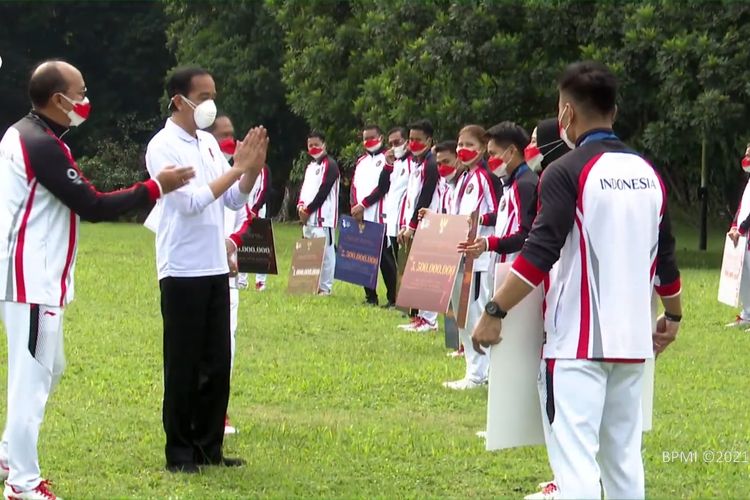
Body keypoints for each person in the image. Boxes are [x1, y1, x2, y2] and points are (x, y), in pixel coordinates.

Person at [471, 61, 682, 499]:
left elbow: (539, 252)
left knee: (576, 463)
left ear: (565, 113)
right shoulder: (650, 174)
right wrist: (674, 317)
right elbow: (665, 258)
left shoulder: (564, 172)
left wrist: (495, 311)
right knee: (623, 460)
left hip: (575, 348)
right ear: (615, 112)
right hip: (633, 345)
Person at [0, 60, 193, 500]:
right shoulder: (41, 144)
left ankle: (9, 455)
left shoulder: (22, 134)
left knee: (50, 368)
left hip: (31, 277)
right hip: (32, 281)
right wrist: (155, 187)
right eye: (80, 92)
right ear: (57, 100)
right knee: (31, 382)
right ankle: (22, 484)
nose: (86, 100)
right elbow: (92, 204)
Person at [145, 66, 268, 474]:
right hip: (182, 268)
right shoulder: (163, 146)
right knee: (184, 363)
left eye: (213, 94)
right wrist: (238, 166)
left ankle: (208, 446)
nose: (210, 104)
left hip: (216, 266)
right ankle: (179, 451)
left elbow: (232, 199)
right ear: (179, 100)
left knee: (217, 362)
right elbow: (190, 202)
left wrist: (249, 170)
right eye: (203, 96)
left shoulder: (210, 145)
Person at [442, 125, 498, 390]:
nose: (462, 150)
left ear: (483, 147)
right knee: (462, 314)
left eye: (469, 145)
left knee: (474, 313)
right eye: (460, 145)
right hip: (459, 254)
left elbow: (500, 212)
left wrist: (478, 220)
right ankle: (474, 370)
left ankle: (479, 372)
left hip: (478, 257)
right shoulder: (464, 178)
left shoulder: (486, 177)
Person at [459, 122, 538, 265]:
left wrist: (490, 243)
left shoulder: (524, 184)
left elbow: (526, 235)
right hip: (503, 266)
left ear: (512, 151)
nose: (490, 160)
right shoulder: (510, 183)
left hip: (515, 266)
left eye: (493, 154)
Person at [215, 115, 272, 292]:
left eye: (230, 135)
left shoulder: (235, 168)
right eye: (223, 135)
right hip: (195, 266)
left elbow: (238, 201)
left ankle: (259, 281)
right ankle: (243, 280)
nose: (229, 140)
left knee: (259, 247)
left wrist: (231, 242)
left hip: (255, 210)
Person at [397, 119, 441, 332]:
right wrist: (406, 223)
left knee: (429, 272)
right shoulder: (417, 163)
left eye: (418, 140)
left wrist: (413, 224)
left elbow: (426, 195)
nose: (413, 143)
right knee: (420, 271)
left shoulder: (432, 164)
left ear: (429, 140)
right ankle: (421, 316)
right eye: (411, 139)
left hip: (430, 223)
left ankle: (430, 319)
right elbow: (411, 197)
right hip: (416, 222)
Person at [351, 125, 398, 307]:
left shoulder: (388, 158)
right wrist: (355, 206)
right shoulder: (361, 161)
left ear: (380, 137)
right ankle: (370, 297)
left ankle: (393, 298)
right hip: (361, 215)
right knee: (364, 258)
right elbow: (354, 186)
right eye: (365, 138)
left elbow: (382, 187)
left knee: (385, 259)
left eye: (372, 137)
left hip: (380, 214)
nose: (368, 141)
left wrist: (364, 204)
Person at [298, 131, 340, 295]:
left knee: (327, 254)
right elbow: (305, 190)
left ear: (324, 145)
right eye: (310, 145)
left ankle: (325, 287)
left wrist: (309, 210)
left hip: (324, 218)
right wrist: (301, 207)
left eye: (316, 144)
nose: (313, 148)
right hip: (308, 219)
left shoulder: (330, 164)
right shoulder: (310, 167)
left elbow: (324, 190)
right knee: (310, 252)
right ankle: (308, 285)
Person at [382, 127, 413, 281]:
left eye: (397, 142)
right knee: (397, 261)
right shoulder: (397, 163)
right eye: (391, 144)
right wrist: (388, 165)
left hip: (404, 222)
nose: (394, 147)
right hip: (392, 219)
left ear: (406, 142)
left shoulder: (412, 163)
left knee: (407, 262)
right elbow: (384, 187)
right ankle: (396, 299)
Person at [726, 143, 750, 328]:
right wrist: (734, 226)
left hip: (746, 235)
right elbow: (742, 208)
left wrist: (741, 229)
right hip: (743, 238)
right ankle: (747, 314)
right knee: (743, 277)